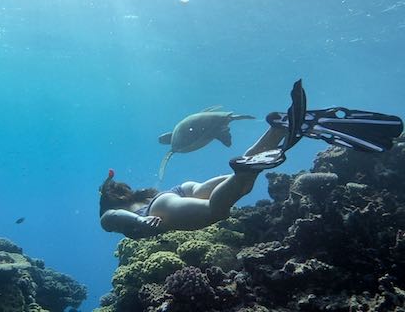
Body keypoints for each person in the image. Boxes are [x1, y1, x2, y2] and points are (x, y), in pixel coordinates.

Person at [99, 80, 403, 239]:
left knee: (216, 210)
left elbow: (111, 219)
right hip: (178, 191)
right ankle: (275, 130)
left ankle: (243, 164)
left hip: (161, 208)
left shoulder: (116, 213)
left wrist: (140, 221)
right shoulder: (142, 194)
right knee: (240, 185)